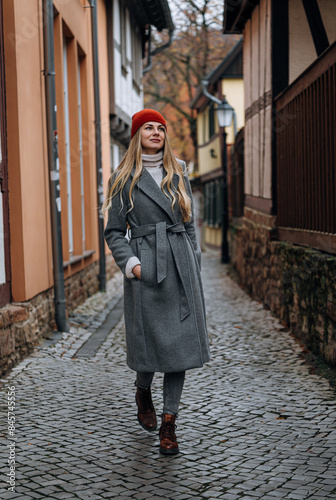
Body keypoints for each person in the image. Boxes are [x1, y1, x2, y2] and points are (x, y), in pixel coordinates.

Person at [103, 109, 210, 455]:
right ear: (137, 135)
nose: (155, 132)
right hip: (147, 267)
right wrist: (133, 266)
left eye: (160, 128)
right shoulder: (123, 178)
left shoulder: (178, 172)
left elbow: (189, 222)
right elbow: (115, 232)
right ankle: (142, 390)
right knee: (150, 346)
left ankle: (169, 423)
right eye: (148, 127)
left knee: (179, 351)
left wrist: (192, 259)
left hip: (180, 266)